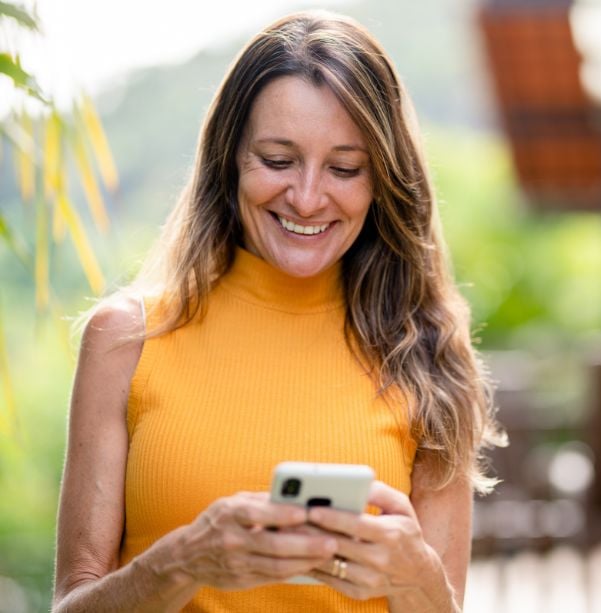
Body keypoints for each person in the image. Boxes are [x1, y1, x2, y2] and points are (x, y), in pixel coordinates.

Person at [52, 10, 502, 612]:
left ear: (381, 181)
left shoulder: (429, 357)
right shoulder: (127, 339)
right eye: (278, 160)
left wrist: (414, 577)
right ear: (231, 158)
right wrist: (183, 561)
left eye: (345, 168)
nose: (309, 197)